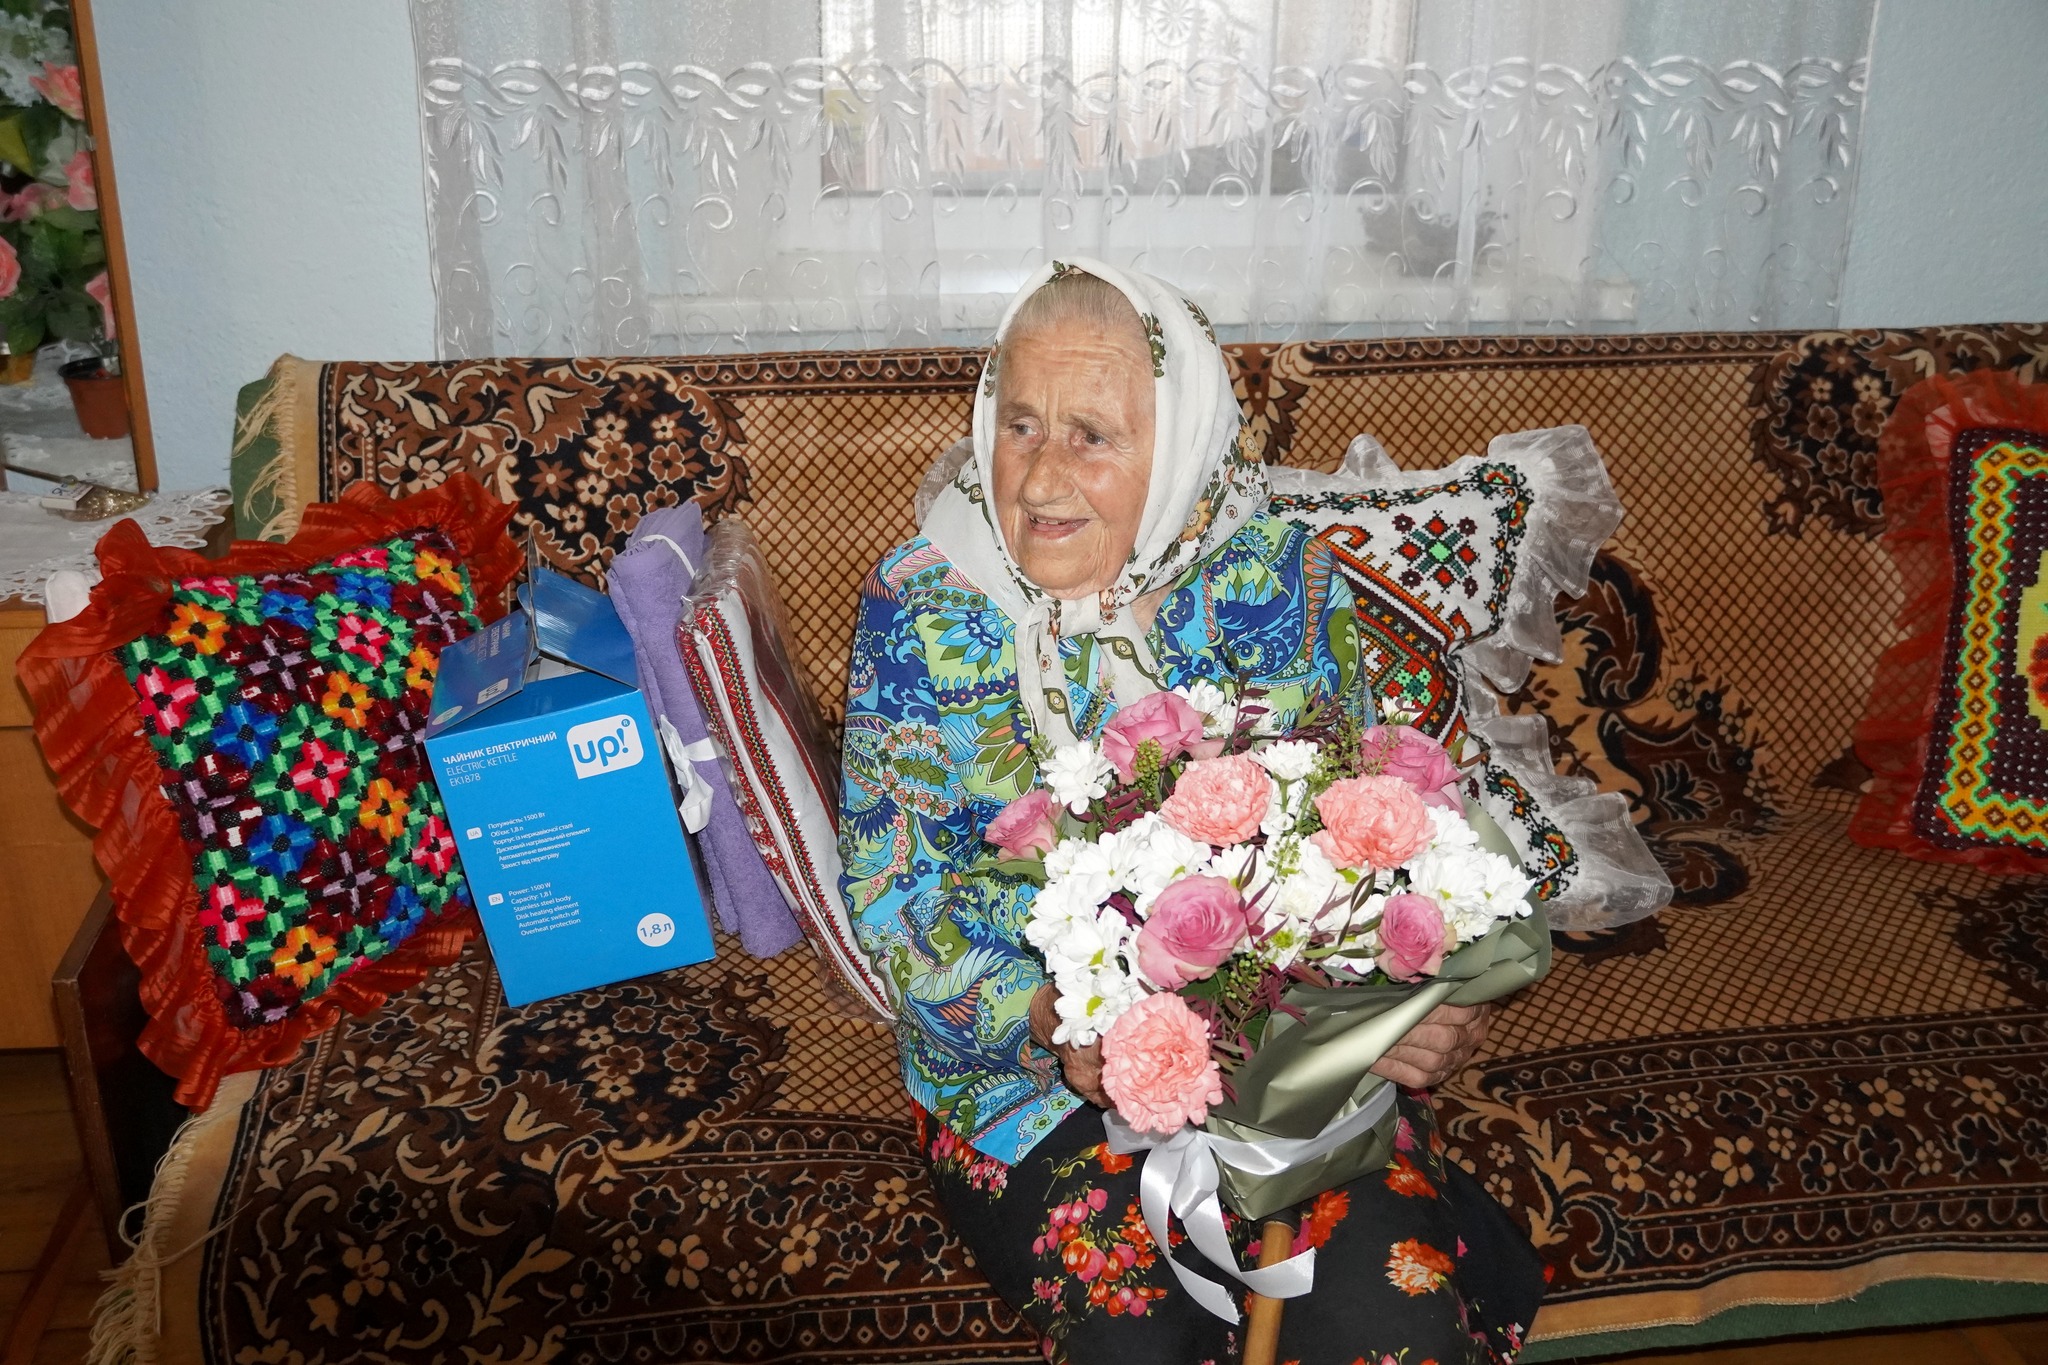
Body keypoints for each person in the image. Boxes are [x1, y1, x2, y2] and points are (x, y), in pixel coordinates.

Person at [839, 259, 1544, 1364]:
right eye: (1019, 425)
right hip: (1036, 1090)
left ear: (1180, 441)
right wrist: (1056, 1020)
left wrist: (1415, 1001)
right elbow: (894, 896)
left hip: (1294, 1073)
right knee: (1144, 1350)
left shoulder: (1279, 578)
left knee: (1389, 1323)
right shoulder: (921, 605)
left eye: (1092, 436)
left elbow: (1376, 830)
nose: (1038, 478)